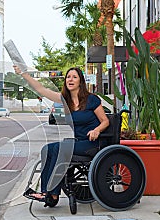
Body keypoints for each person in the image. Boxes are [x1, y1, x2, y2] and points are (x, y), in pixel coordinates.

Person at [14, 65, 109, 207]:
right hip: (78, 142)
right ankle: (47, 192)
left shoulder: (91, 100)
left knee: (60, 148)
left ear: (80, 82)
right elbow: (41, 90)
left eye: (74, 77)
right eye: (68, 77)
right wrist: (24, 74)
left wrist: (97, 130)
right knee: (47, 149)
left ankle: (52, 193)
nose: (70, 79)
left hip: (93, 143)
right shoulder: (66, 101)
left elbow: (105, 121)